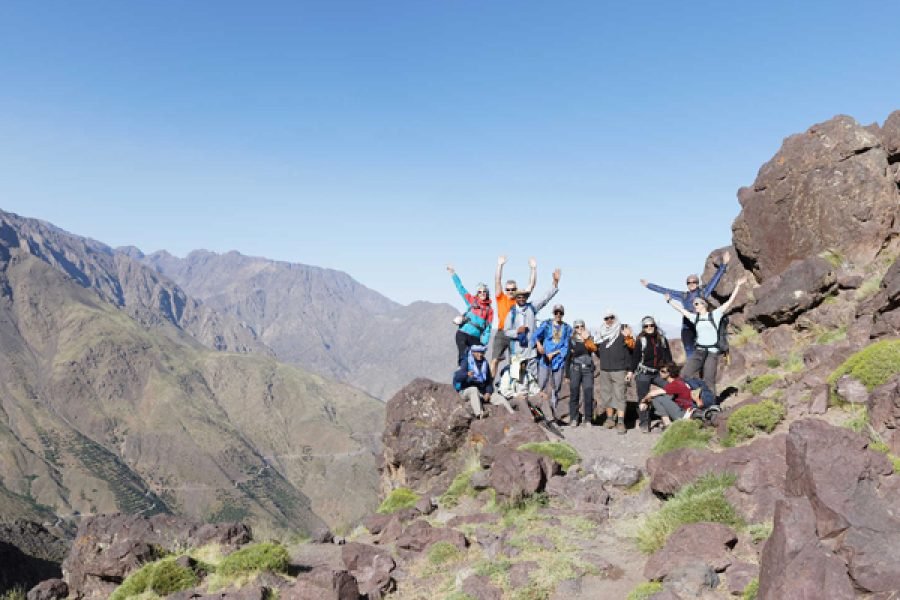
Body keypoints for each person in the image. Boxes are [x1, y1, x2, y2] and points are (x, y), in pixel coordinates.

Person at [664, 276, 748, 396]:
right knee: (684, 374)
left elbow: (729, 302)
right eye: (694, 304)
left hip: (712, 352)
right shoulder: (695, 318)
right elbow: (682, 311)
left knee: (709, 379)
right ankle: (696, 393)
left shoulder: (715, 315)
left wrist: (738, 286)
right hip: (700, 351)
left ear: (703, 304)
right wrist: (669, 301)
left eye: (697, 304)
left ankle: (711, 404)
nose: (695, 306)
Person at [640, 250, 731, 357]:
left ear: (698, 283)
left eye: (694, 282)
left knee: (703, 354)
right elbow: (664, 290)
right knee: (690, 354)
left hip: (700, 326)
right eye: (689, 282)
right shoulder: (683, 296)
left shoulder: (703, 293)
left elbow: (715, 280)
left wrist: (724, 264)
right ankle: (692, 373)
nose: (691, 284)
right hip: (687, 328)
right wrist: (649, 285)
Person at [504, 268, 561, 382]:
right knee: (516, 379)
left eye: (524, 297)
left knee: (533, 379)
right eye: (519, 297)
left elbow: (545, 298)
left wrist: (555, 283)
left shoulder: (532, 308)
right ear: (515, 298)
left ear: (527, 298)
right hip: (517, 352)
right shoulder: (512, 313)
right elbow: (506, 331)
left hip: (531, 351)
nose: (521, 299)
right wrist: (517, 332)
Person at [491, 256, 537, 378]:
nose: (510, 291)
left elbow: (531, 285)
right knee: (494, 359)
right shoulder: (501, 298)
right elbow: (497, 280)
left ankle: (513, 386)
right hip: (501, 332)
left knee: (515, 361)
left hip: (515, 334)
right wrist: (500, 265)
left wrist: (533, 269)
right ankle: (488, 386)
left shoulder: (519, 300)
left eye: (513, 289)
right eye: (508, 289)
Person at [593, 310, 634, 435]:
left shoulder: (622, 331)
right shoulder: (601, 334)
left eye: (611, 318)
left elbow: (632, 348)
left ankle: (621, 422)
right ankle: (610, 419)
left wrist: (628, 337)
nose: (609, 320)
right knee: (606, 395)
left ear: (615, 318)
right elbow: (596, 350)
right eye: (606, 318)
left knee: (620, 395)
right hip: (605, 369)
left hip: (620, 369)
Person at [631, 316, 672, 433]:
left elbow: (668, 357)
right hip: (643, 373)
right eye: (646, 326)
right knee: (643, 397)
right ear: (643, 328)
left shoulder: (662, 340)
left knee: (670, 389)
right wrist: (630, 372)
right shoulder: (641, 341)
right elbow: (635, 358)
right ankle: (644, 423)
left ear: (655, 326)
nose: (649, 328)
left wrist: (670, 371)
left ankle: (668, 417)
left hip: (658, 373)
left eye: (651, 325)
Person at [447, 264, 494, 363]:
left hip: (475, 338)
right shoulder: (472, 301)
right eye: (480, 292)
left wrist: (484, 343)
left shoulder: (489, 310)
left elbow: (488, 329)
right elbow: (461, 289)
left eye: (484, 292)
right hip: (463, 333)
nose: (482, 294)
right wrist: (453, 274)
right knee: (463, 357)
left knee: (478, 360)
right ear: (477, 293)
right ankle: (462, 374)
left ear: (487, 293)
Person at [533, 304, 572, 420]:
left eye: (560, 313)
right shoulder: (546, 325)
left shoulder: (567, 328)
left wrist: (554, 354)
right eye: (556, 313)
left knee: (556, 387)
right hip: (544, 360)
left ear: (563, 314)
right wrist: (539, 344)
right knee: (541, 385)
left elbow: (567, 345)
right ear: (553, 313)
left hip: (559, 361)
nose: (558, 315)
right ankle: (539, 413)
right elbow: (535, 336)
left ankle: (553, 414)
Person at [452, 345, 514, 418]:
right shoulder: (466, 362)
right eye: (478, 352)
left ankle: (512, 413)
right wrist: (466, 374)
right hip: (466, 390)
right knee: (473, 390)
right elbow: (457, 378)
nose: (480, 355)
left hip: (482, 391)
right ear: (473, 353)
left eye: (482, 352)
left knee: (499, 398)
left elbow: (488, 381)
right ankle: (479, 414)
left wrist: (488, 392)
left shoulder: (485, 363)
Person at [641, 362, 697, 429]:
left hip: (684, 414)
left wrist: (643, 401)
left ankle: (668, 424)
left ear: (669, 373)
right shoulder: (679, 380)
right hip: (689, 410)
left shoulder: (674, 384)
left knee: (656, 398)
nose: (660, 372)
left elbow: (652, 394)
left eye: (663, 371)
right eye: (659, 370)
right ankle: (669, 423)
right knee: (663, 397)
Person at [566, 319, 597, 427]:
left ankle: (588, 419)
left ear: (584, 326)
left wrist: (587, 339)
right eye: (577, 327)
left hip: (587, 369)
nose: (579, 329)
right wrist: (567, 375)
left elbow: (594, 350)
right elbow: (568, 357)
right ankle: (574, 418)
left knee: (588, 393)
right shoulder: (572, 340)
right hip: (575, 369)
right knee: (574, 393)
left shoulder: (589, 338)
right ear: (574, 329)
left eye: (581, 326)